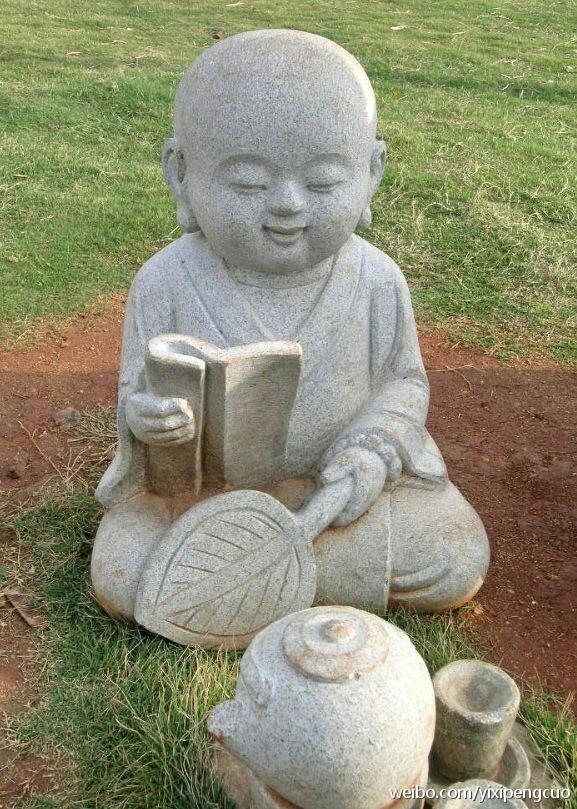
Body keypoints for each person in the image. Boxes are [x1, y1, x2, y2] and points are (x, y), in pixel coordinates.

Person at [91, 30, 489, 624]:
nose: (288, 204)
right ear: (181, 173)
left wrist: (370, 446)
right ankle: (282, 573)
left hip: (332, 494)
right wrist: (148, 420)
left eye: (324, 182)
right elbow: (136, 393)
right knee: (122, 566)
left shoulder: (376, 280)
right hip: (201, 498)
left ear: (372, 171)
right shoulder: (165, 281)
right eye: (249, 184)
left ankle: (234, 582)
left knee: (452, 554)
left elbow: (403, 384)